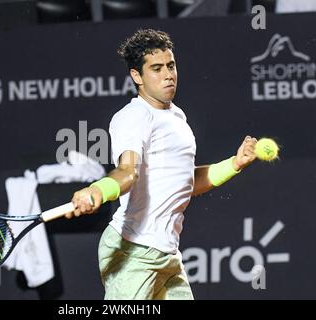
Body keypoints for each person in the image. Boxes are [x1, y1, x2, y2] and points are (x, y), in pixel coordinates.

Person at [66, 29, 258, 300]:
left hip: (167, 255)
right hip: (133, 252)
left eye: (171, 65)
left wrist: (234, 164)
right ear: (137, 76)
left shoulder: (177, 116)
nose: (168, 74)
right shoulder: (133, 117)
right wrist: (98, 189)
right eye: (156, 69)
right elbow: (127, 172)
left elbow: (185, 182)